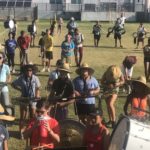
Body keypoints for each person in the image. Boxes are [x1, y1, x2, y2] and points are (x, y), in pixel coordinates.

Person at [11, 64, 41, 138]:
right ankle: (21, 133)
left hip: (33, 99)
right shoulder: (21, 78)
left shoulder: (35, 78)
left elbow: (38, 87)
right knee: (23, 116)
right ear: (24, 71)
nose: (29, 72)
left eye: (30, 70)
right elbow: (13, 84)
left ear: (32, 71)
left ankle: (32, 132)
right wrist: (20, 89)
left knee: (33, 116)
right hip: (24, 98)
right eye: (27, 70)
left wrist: (37, 95)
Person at [0, 52, 12, 116]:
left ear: (3, 58)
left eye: (0, 58)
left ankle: (8, 117)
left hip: (4, 87)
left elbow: (9, 75)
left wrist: (8, 81)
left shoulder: (6, 66)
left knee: (6, 103)